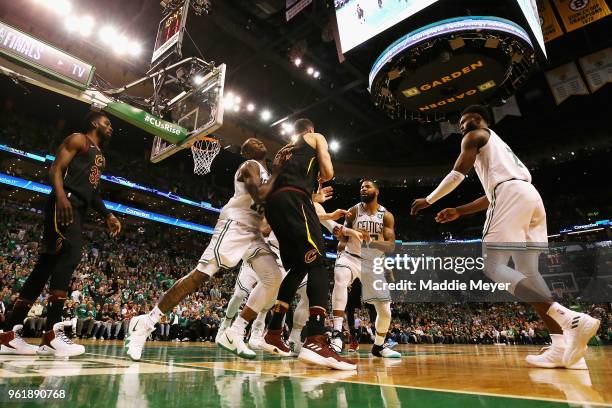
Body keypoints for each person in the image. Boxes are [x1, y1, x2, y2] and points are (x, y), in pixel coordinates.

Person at [411, 104, 600, 369]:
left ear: (484, 121)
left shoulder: (475, 137)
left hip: (511, 195)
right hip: (530, 197)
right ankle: (560, 346)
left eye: (471, 119)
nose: (465, 124)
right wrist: (459, 211)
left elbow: (457, 175)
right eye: (462, 123)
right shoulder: (500, 152)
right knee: (529, 274)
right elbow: (492, 195)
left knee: (493, 266)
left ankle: (570, 318)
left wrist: (429, 200)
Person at [125, 138, 283, 361]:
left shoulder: (267, 173)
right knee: (199, 276)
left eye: (259, 139)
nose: (258, 142)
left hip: (254, 233)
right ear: (246, 152)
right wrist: (279, 171)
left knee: (273, 277)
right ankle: (146, 323)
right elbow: (261, 195)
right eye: (251, 142)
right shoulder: (249, 166)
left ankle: (235, 331)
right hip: (234, 225)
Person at [0, 111, 121, 357]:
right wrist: (61, 197)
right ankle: (52, 334)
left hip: (78, 207)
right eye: (107, 123)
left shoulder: (100, 157)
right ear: (94, 123)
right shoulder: (78, 139)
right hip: (64, 205)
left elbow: (92, 192)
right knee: (70, 257)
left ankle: (7, 334)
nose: (111, 128)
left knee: (44, 268)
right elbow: (56, 169)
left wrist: (107, 214)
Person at [261, 118, 356, 371]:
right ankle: (315, 338)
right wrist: (319, 179)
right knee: (318, 263)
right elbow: (328, 172)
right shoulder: (316, 137)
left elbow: (282, 182)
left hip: (274, 205)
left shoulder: (283, 150)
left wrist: (312, 194)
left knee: (299, 267)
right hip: (294, 201)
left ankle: (273, 331)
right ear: (310, 130)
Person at [331, 180, 400, 358]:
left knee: (385, 311)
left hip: (373, 263)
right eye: (361, 186)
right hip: (351, 257)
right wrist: (339, 243)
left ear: (376, 191)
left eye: (367, 186)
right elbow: (344, 239)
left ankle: (378, 346)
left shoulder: (386, 216)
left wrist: (371, 242)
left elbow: (391, 246)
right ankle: (337, 334)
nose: (363, 188)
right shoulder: (353, 211)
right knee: (340, 280)